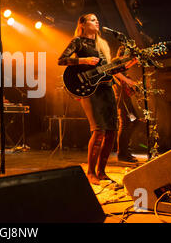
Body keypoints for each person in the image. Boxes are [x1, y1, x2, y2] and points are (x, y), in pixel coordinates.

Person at [58, 14, 136, 185]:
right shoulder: (78, 42)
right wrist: (83, 60)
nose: (97, 21)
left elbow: (108, 70)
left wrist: (127, 66)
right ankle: (90, 172)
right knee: (99, 130)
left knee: (111, 132)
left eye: (97, 19)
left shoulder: (103, 45)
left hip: (107, 89)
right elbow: (61, 60)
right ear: (83, 24)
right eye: (92, 20)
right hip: (89, 90)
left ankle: (101, 172)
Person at [113, 46, 138, 163]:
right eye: (127, 57)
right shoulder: (115, 61)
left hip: (125, 99)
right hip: (121, 100)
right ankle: (122, 153)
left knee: (132, 122)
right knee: (127, 123)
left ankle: (124, 151)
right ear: (123, 55)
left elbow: (125, 66)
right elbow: (116, 72)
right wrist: (128, 81)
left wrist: (134, 61)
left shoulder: (121, 64)